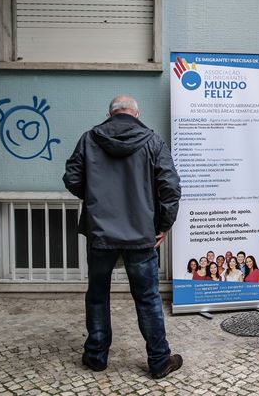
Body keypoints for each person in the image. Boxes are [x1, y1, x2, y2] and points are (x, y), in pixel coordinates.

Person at [62, 95, 182, 379]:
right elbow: (170, 187)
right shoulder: (152, 141)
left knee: (98, 296)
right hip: (141, 235)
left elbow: (72, 178)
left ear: (110, 114)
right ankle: (159, 361)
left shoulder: (90, 138)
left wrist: (95, 200)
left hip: (100, 234)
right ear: (136, 115)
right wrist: (163, 225)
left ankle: (96, 356)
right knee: (148, 298)